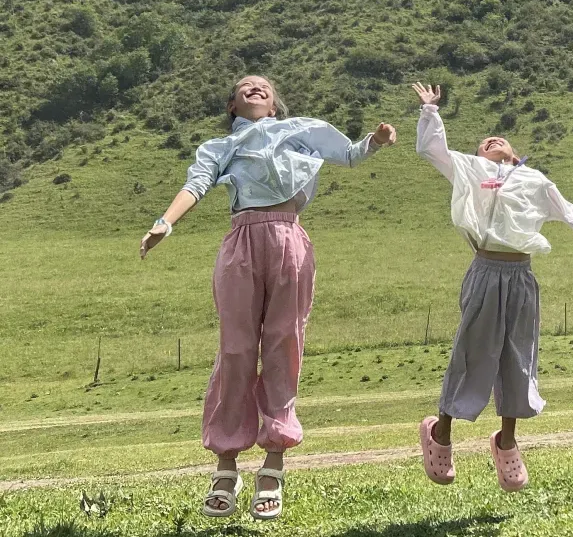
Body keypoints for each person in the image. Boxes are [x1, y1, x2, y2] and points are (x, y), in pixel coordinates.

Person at [139, 75, 396, 520]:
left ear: (274, 103)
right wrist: (165, 222)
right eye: (245, 86)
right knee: (235, 350)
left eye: (262, 86)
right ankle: (226, 466)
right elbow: (196, 184)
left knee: (284, 345)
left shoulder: (302, 129)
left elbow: (350, 154)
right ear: (232, 106)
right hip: (241, 242)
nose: (255, 87)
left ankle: (273, 464)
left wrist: (376, 140)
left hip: (289, 239)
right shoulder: (219, 146)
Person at [411, 83, 573, 492]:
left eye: (499, 139)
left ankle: (507, 441)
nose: (491, 140)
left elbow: (564, 208)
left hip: (522, 276)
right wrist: (430, 111)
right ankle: (441, 432)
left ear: (516, 154)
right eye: (484, 143)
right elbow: (432, 149)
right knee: (473, 351)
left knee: (518, 355)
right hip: (486, 270)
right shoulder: (470, 169)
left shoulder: (535, 179)